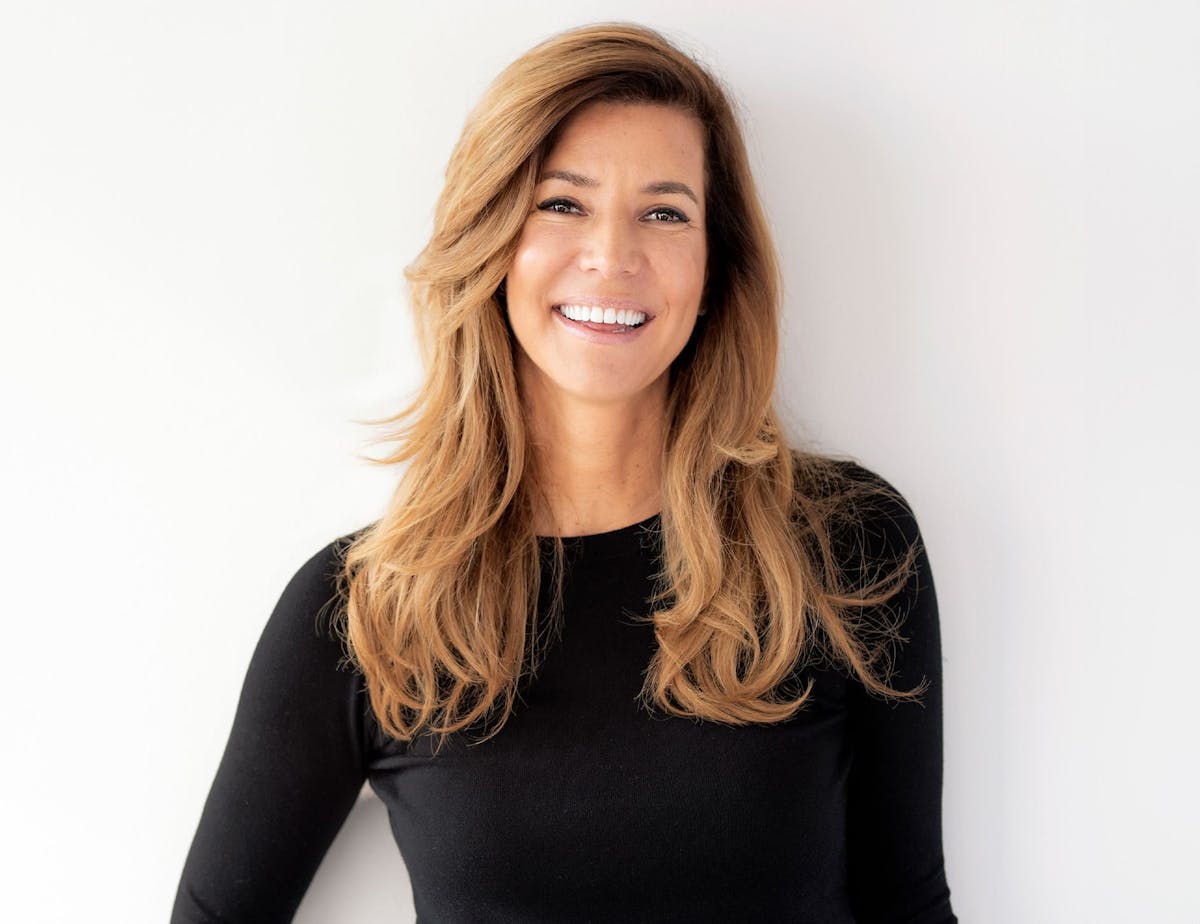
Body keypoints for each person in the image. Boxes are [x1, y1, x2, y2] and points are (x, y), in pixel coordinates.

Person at [172, 21, 956, 923]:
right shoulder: (368, 612)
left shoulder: (843, 545)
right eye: (561, 203)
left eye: (665, 212)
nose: (613, 257)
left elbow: (912, 904)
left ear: (715, 266)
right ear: (492, 240)